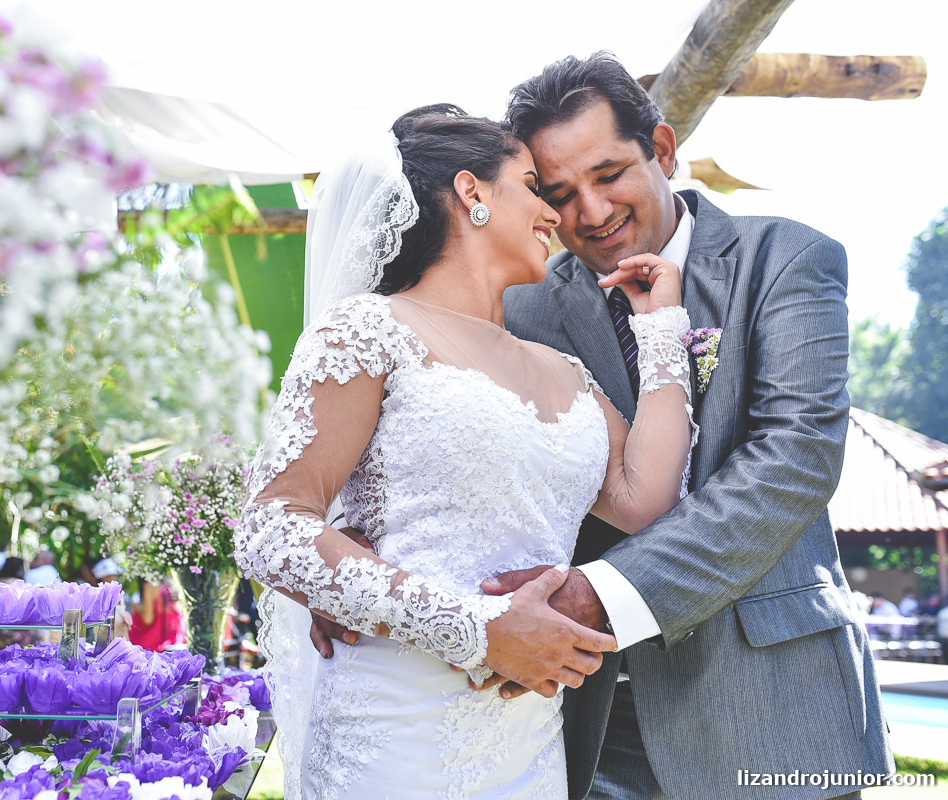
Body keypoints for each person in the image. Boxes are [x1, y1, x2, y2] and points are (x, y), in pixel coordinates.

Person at [235, 103, 697, 798]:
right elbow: (270, 528)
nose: (554, 214)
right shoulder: (367, 330)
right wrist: (477, 631)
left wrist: (660, 327)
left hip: (530, 745)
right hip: (397, 733)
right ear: (471, 191)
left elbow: (646, 501)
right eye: (533, 187)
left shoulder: (563, 371)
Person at [486, 52, 889, 799]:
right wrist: (361, 565)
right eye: (561, 194)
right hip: (588, 720)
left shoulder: (786, 259)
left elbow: (793, 461)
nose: (591, 212)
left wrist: (601, 594)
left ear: (663, 150)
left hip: (769, 704)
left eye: (609, 174)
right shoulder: (522, 306)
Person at [128, 577, 186, 652]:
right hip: (177, 637)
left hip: (159, 640)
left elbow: (148, 619)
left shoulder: (150, 586)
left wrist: (139, 608)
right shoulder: (171, 583)